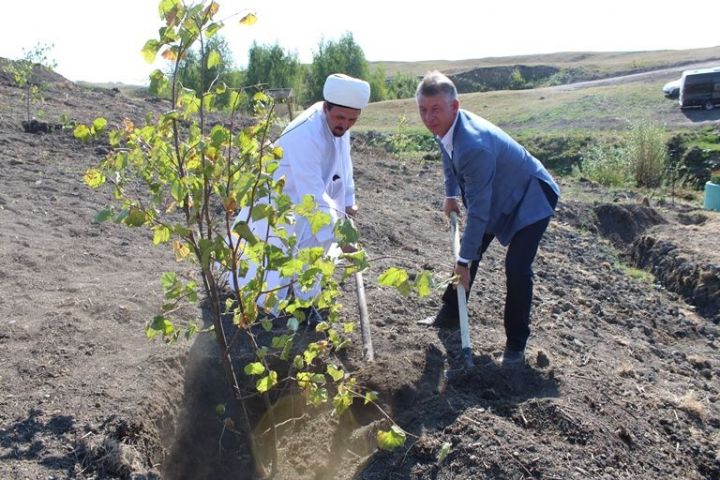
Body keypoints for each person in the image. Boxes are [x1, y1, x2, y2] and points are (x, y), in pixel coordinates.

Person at [415, 70, 559, 367]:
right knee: (469, 251)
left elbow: (479, 211)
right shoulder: (446, 127)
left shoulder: (474, 146)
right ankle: (451, 315)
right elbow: (447, 155)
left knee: (516, 267)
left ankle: (516, 346)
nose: (429, 118)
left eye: (435, 110)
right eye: (423, 110)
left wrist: (464, 262)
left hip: (532, 194)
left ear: (454, 106)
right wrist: (450, 194)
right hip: (500, 191)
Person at [225, 73, 370, 316]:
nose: (344, 125)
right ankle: (260, 305)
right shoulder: (306, 134)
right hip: (281, 200)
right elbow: (311, 195)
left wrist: (348, 201)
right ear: (326, 108)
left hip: (311, 198)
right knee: (271, 258)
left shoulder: (340, 127)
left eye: (351, 120)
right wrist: (344, 240)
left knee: (315, 244)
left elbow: (345, 165)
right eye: (340, 117)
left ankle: (303, 302)